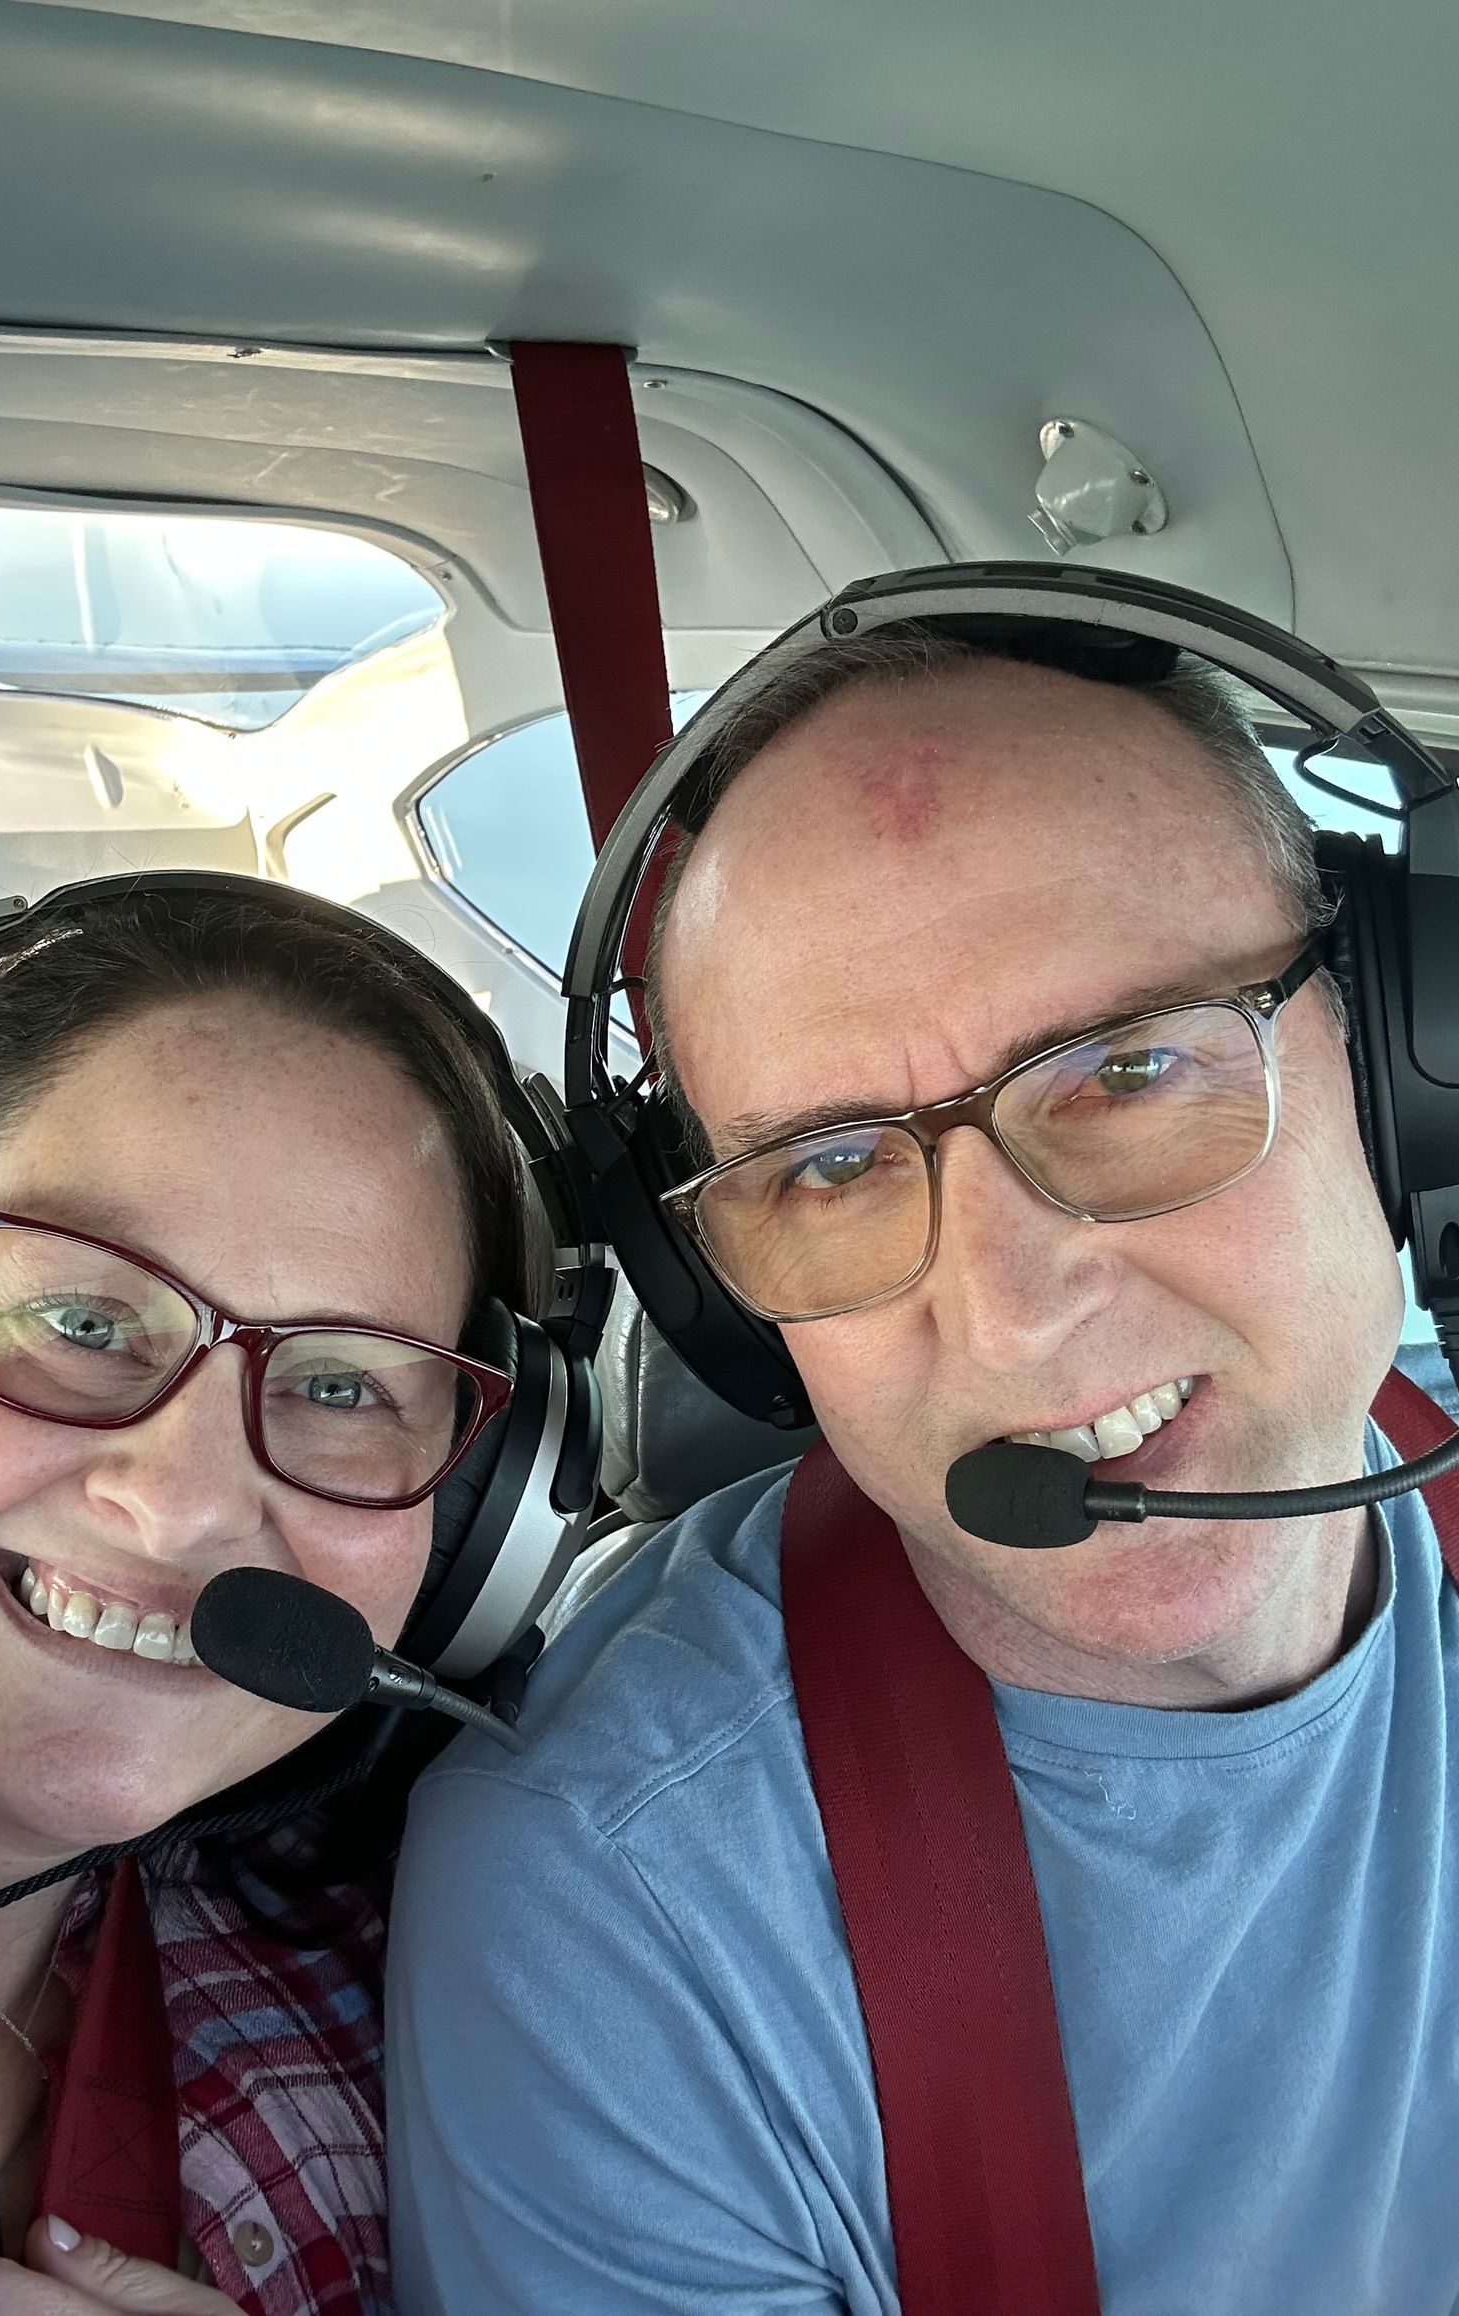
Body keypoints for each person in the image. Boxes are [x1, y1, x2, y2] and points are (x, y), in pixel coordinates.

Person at [385, 611, 1459, 2311]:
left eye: (1125, 1069)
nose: (1012, 1318)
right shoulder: (619, 1910)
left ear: (1404, 1061)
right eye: (828, 1169)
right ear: (718, 1296)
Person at [0, 882, 537, 2315]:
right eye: (84, 1319)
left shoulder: (382, 2015)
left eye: (342, 1386)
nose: (181, 1507)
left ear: (475, 1528)